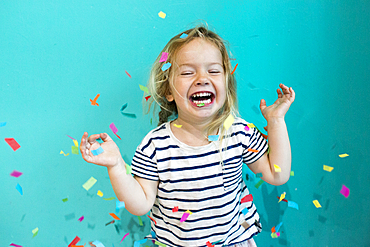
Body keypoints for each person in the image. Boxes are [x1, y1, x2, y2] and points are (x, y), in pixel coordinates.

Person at [80, 25, 295, 247]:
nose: (202, 78)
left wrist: (276, 121)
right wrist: (115, 166)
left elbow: (277, 175)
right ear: (169, 91)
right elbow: (141, 204)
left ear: (226, 84)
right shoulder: (155, 146)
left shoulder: (239, 133)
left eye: (213, 71)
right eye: (187, 72)